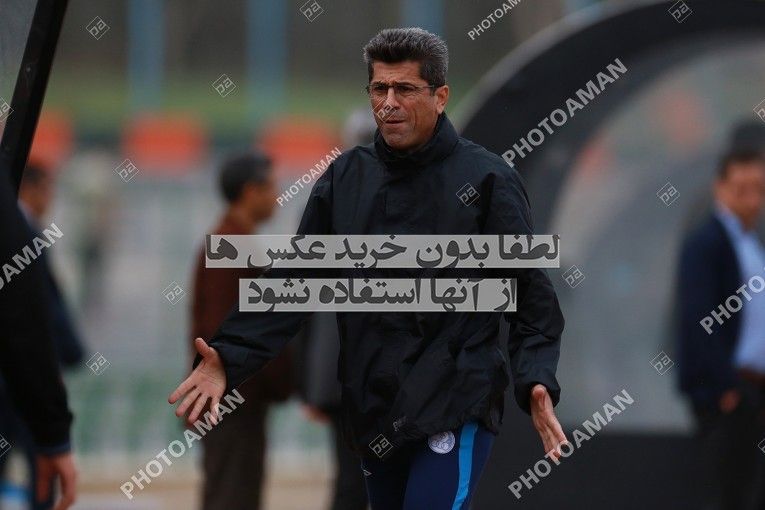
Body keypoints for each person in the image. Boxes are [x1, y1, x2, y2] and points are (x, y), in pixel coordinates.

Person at [171, 27, 566, 510]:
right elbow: (297, 279)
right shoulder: (346, 178)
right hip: (374, 408)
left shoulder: (487, 179)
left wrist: (536, 378)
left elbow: (531, 294)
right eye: (380, 89)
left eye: (405, 89)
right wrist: (230, 356)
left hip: (454, 404)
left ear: (440, 96)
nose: (389, 103)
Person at [188, 152, 293, 510]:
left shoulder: (235, 242)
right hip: (231, 402)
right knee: (232, 498)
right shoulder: (230, 247)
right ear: (251, 191)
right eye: (272, 187)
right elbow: (222, 332)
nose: (277, 196)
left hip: (237, 400)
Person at [295, 108, 377, 510]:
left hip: (338, 371)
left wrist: (309, 380)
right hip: (373, 370)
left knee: (351, 476)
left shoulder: (326, 196)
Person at [676, 147, 765, 510]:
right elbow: (698, 319)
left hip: (754, 390)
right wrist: (725, 387)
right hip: (729, 393)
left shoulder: (751, 243)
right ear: (721, 187)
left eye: (758, 189)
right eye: (741, 189)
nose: (752, 199)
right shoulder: (706, 243)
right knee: (728, 491)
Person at [0, 167, 77, 510]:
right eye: (47, 189)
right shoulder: (19, 233)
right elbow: (34, 313)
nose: (51, 198)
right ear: (30, 188)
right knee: (41, 461)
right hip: (19, 379)